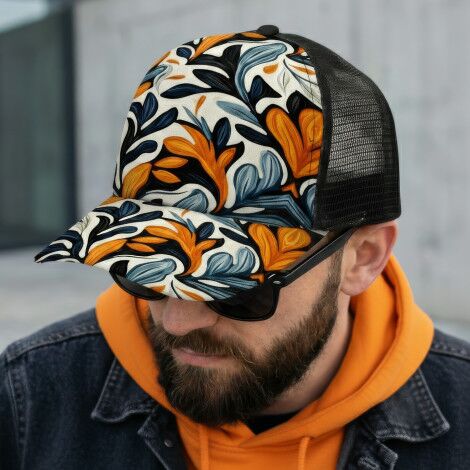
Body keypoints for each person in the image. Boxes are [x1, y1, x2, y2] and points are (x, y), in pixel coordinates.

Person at [1, 24, 469, 470]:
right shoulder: (30, 399)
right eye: (148, 266)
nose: (178, 320)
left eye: (234, 283)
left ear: (363, 258)